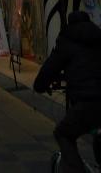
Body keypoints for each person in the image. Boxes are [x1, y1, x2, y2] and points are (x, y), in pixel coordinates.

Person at [33, 10, 101, 172]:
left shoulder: (67, 41)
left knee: (63, 133)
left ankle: (76, 169)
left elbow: (49, 69)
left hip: (86, 102)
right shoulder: (99, 38)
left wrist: (41, 85)